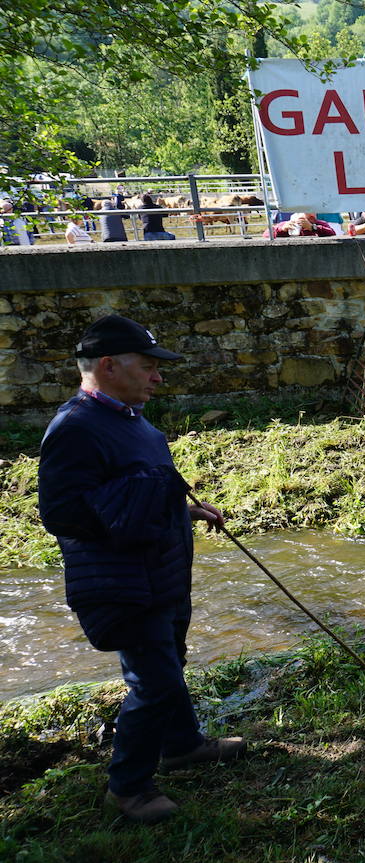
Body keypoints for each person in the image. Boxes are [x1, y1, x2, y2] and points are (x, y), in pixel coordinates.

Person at [38, 315, 244, 825]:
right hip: (123, 582)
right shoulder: (75, 428)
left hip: (164, 572)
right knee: (154, 681)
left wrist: (183, 509)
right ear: (108, 366)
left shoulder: (133, 420)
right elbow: (61, 513)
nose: (158, 378)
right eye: (148, 367)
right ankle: (128, 788)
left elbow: (141, 491)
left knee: (169, 663)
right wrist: (144, 499)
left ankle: (182, 745)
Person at [266, 212, 337, 238]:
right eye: (307, 212)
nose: (312, 214)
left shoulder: (320, 223)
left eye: (314, 211)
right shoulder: (288, 224)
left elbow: (332, 233)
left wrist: (313, 228)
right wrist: (282, 229)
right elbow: (266, 234)